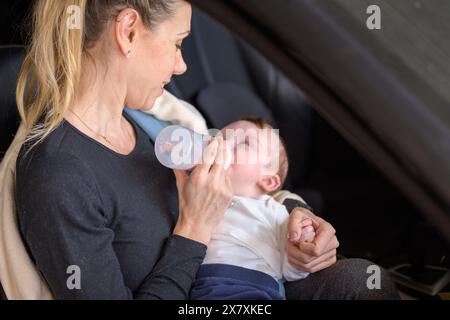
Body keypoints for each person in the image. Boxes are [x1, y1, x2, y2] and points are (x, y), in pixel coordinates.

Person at [12, 0, 399, 299]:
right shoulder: (59, 174)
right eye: (178, 44)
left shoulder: (153, 126)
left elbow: (246, 188)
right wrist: (194, 230)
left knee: (361, 280)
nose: (182, 66)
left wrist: (300, 223)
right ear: (129, 31)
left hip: (250, 279)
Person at [190, 118, 316, 300]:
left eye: (244, 143)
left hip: (254, 287)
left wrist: (302, 240)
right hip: (199, 286)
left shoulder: (274, 211)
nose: (223, 144)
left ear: (268, 180)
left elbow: (293, 268)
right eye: (219, 137)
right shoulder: (196, 195)